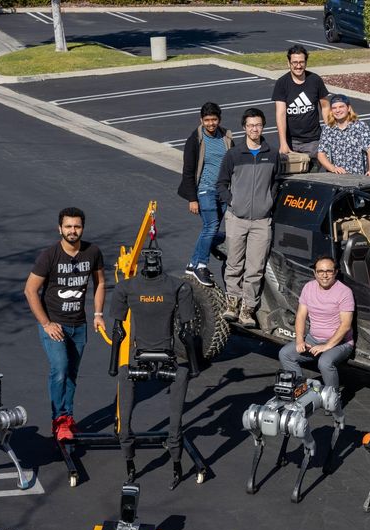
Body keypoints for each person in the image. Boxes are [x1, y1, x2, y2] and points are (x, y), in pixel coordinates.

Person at [109, 248, 195, 490]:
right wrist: (115, 365)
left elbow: (187, 331)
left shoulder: (176, 286)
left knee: (177, 406)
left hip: (167, 358)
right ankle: (129, 461)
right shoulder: (127, 288)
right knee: (123, 418)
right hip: (140, 358)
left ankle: (176, 461)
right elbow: (118, 330)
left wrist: (193, 366)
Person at [24, 207, 105, 441]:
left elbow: (100, 283)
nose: (72, 231)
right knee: (59, 370)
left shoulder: (93, 252)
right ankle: (58, 419)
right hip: (54, 325)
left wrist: (98, 314)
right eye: (68, 226)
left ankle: (67, 418)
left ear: (83, 228)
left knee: (71, 373)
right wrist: (47, 323)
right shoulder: (49, 256)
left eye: (77, 226)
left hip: (79, 325)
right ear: (59, 228)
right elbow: (30, 290)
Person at [217, 107, 279, 329]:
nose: (255, 129)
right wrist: (232, 202)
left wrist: (268, 203)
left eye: (259, 125)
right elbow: (221, 183)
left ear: (263, 126)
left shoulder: (272, 153)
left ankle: (247, 309)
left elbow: (276, 182)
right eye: (251, 125)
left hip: (262, 221)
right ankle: (232, 304)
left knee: (255, 268)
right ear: (244, 128)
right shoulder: (234, 154)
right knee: (234, 264)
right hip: (237, 218)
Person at [278, 255, 354, 394]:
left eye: (329, 271)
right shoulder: (308, 287)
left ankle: (332, 399)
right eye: (320, 271)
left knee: (324, 363)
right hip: (313, 339)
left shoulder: (344, 292)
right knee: (285, 354)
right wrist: (300, 340)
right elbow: (301, 315)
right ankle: (300, 389)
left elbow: (345, 325)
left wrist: (326, 346)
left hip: (340, 342)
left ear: (335, 272)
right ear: (315, 272)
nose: (324, 275)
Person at [177, 101, 233, 287]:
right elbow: (188, 170)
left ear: (219, 119)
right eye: (207, 120)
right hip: (204, 189)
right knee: (211, 225)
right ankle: (201, 264)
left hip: (223, 190)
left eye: (214, 119)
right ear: (201, 120)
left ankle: (192, 264)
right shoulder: (195, 139)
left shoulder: (226, 137)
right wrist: (192, 198)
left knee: (212, 229)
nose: (211, 123)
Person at [273, 44, 330, 157]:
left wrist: (331, 134)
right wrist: (283, 143)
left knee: (313, 174)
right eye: (295, 62)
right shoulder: (282, 83)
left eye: (301, 62)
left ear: (305, 63)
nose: (298, 66)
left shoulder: (315, 80)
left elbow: (325, 107)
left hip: (314, 141)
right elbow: (281, 114)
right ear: (288, 63)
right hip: (291, 142)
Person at [317, 94, 370, 177]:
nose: (338, 110)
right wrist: (333, 168)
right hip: (336, 178)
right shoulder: (328, 129)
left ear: (349, 108)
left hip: (357, 178)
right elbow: (321, 154)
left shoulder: (360, 126)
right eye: (334, 108)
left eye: (341, 107)